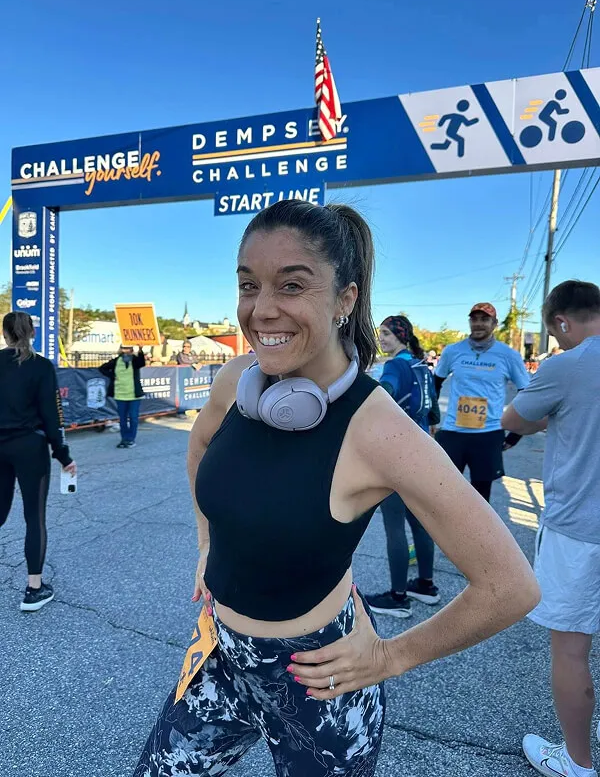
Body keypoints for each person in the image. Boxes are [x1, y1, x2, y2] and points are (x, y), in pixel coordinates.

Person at [134, 200, 539, 777]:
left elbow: (510, 586)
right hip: (219, 656)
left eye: (291, 285)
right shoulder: (235, 381)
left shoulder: (381, 431)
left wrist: (390, 656)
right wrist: (207, 543)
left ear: (345, 299)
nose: (262, 310)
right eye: (249, 285)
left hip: (320, 682)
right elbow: (198, 448)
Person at [502, 280, 600, 777]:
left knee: (571, 649)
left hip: (581, 530)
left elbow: (515, 418)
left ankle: (579, 762)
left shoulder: (570, 364)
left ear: (561, 322)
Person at [366, 315, 442, 619]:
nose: (381, 339)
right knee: (421, 523)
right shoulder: (422, 365)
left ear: (400, 335)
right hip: (422, 452)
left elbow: (381, 393)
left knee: (394, 526)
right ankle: (426, 584)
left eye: (385, 334)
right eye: (379, 333)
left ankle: (398, 597)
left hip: (396, 455)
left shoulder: (395, 365)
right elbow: (434, 412)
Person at [0, 312, 76, 611]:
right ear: (32, 332)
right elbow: (52, 415)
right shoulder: (41, 366)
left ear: (5, 333)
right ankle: (34, 589)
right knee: (34, 517)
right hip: (30, 446)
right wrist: (63, 455)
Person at [433, 302, 530, 502]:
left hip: (488, 434)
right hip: (453, 432)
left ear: (494, 323)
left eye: (484, 319)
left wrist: (516, 434)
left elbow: (527, 393)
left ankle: (474, 533)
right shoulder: (453, 351)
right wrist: (432, 417)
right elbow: (435, 383)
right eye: (474, 319)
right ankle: (446, 533)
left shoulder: (508, 355)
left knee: (480, 497)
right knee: (443, 492)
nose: (478, 324)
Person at [99, 344, 145, 448]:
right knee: (122, 419)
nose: (126, 350)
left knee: (133, 418)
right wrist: (112, 376)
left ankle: (131, 439)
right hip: (120, 394)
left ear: (131, 349)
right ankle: (124, 439)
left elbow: (142, 362)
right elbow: (102, 368)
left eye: (128, 348)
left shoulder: (135, 360)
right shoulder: (116, 361)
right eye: (124, 348)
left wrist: (141, 349)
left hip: (134, 395)